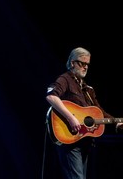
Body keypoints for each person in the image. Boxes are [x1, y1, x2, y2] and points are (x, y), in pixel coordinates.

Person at [45, 47, 122, 179]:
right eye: (82, 63)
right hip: (69, 140)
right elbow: (51, 96)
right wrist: (71, 118)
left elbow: (99, 112)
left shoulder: (88, 89)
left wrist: (116, 121)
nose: (85, 67)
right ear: (72, 63)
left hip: (83, 141)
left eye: (87, 64)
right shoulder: (65, 79)